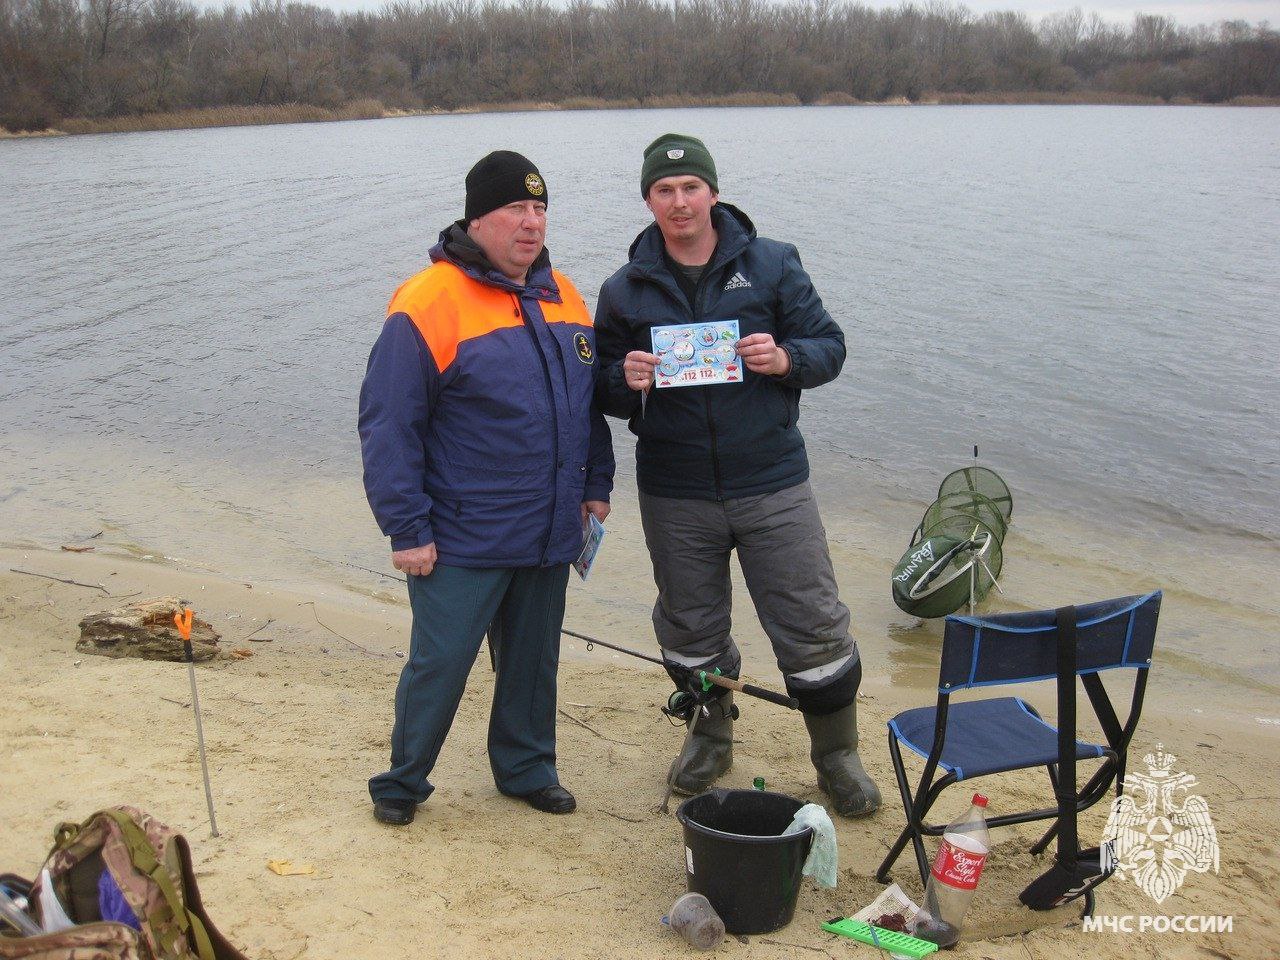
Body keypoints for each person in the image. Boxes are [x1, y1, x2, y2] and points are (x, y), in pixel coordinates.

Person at [593, 133, 879, 817]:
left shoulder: (773, 263)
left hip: (772, 480)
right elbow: (600, 387)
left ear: (713, 193)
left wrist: (784, 360)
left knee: (812, 622)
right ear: (648, 201)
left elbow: (830, 346)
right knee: (689, 625)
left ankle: (837, 755)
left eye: (691, 187)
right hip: (674, 489)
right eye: (665, 190)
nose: (679, 201)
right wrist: (625, 379)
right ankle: (710, 736)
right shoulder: (623, 289)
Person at [359, 150, 614, 825]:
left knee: (533, 662)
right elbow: (389, 424)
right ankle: (402, 782)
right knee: (440, 662)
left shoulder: (563, 293)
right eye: (515, 210)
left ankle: (528, 768)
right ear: (477, 220)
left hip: (550, 524)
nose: (531, 223)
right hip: (463, 533)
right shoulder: (427, 301)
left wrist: (596, 485)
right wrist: (406, 527)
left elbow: (585, 406)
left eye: (540, 209)